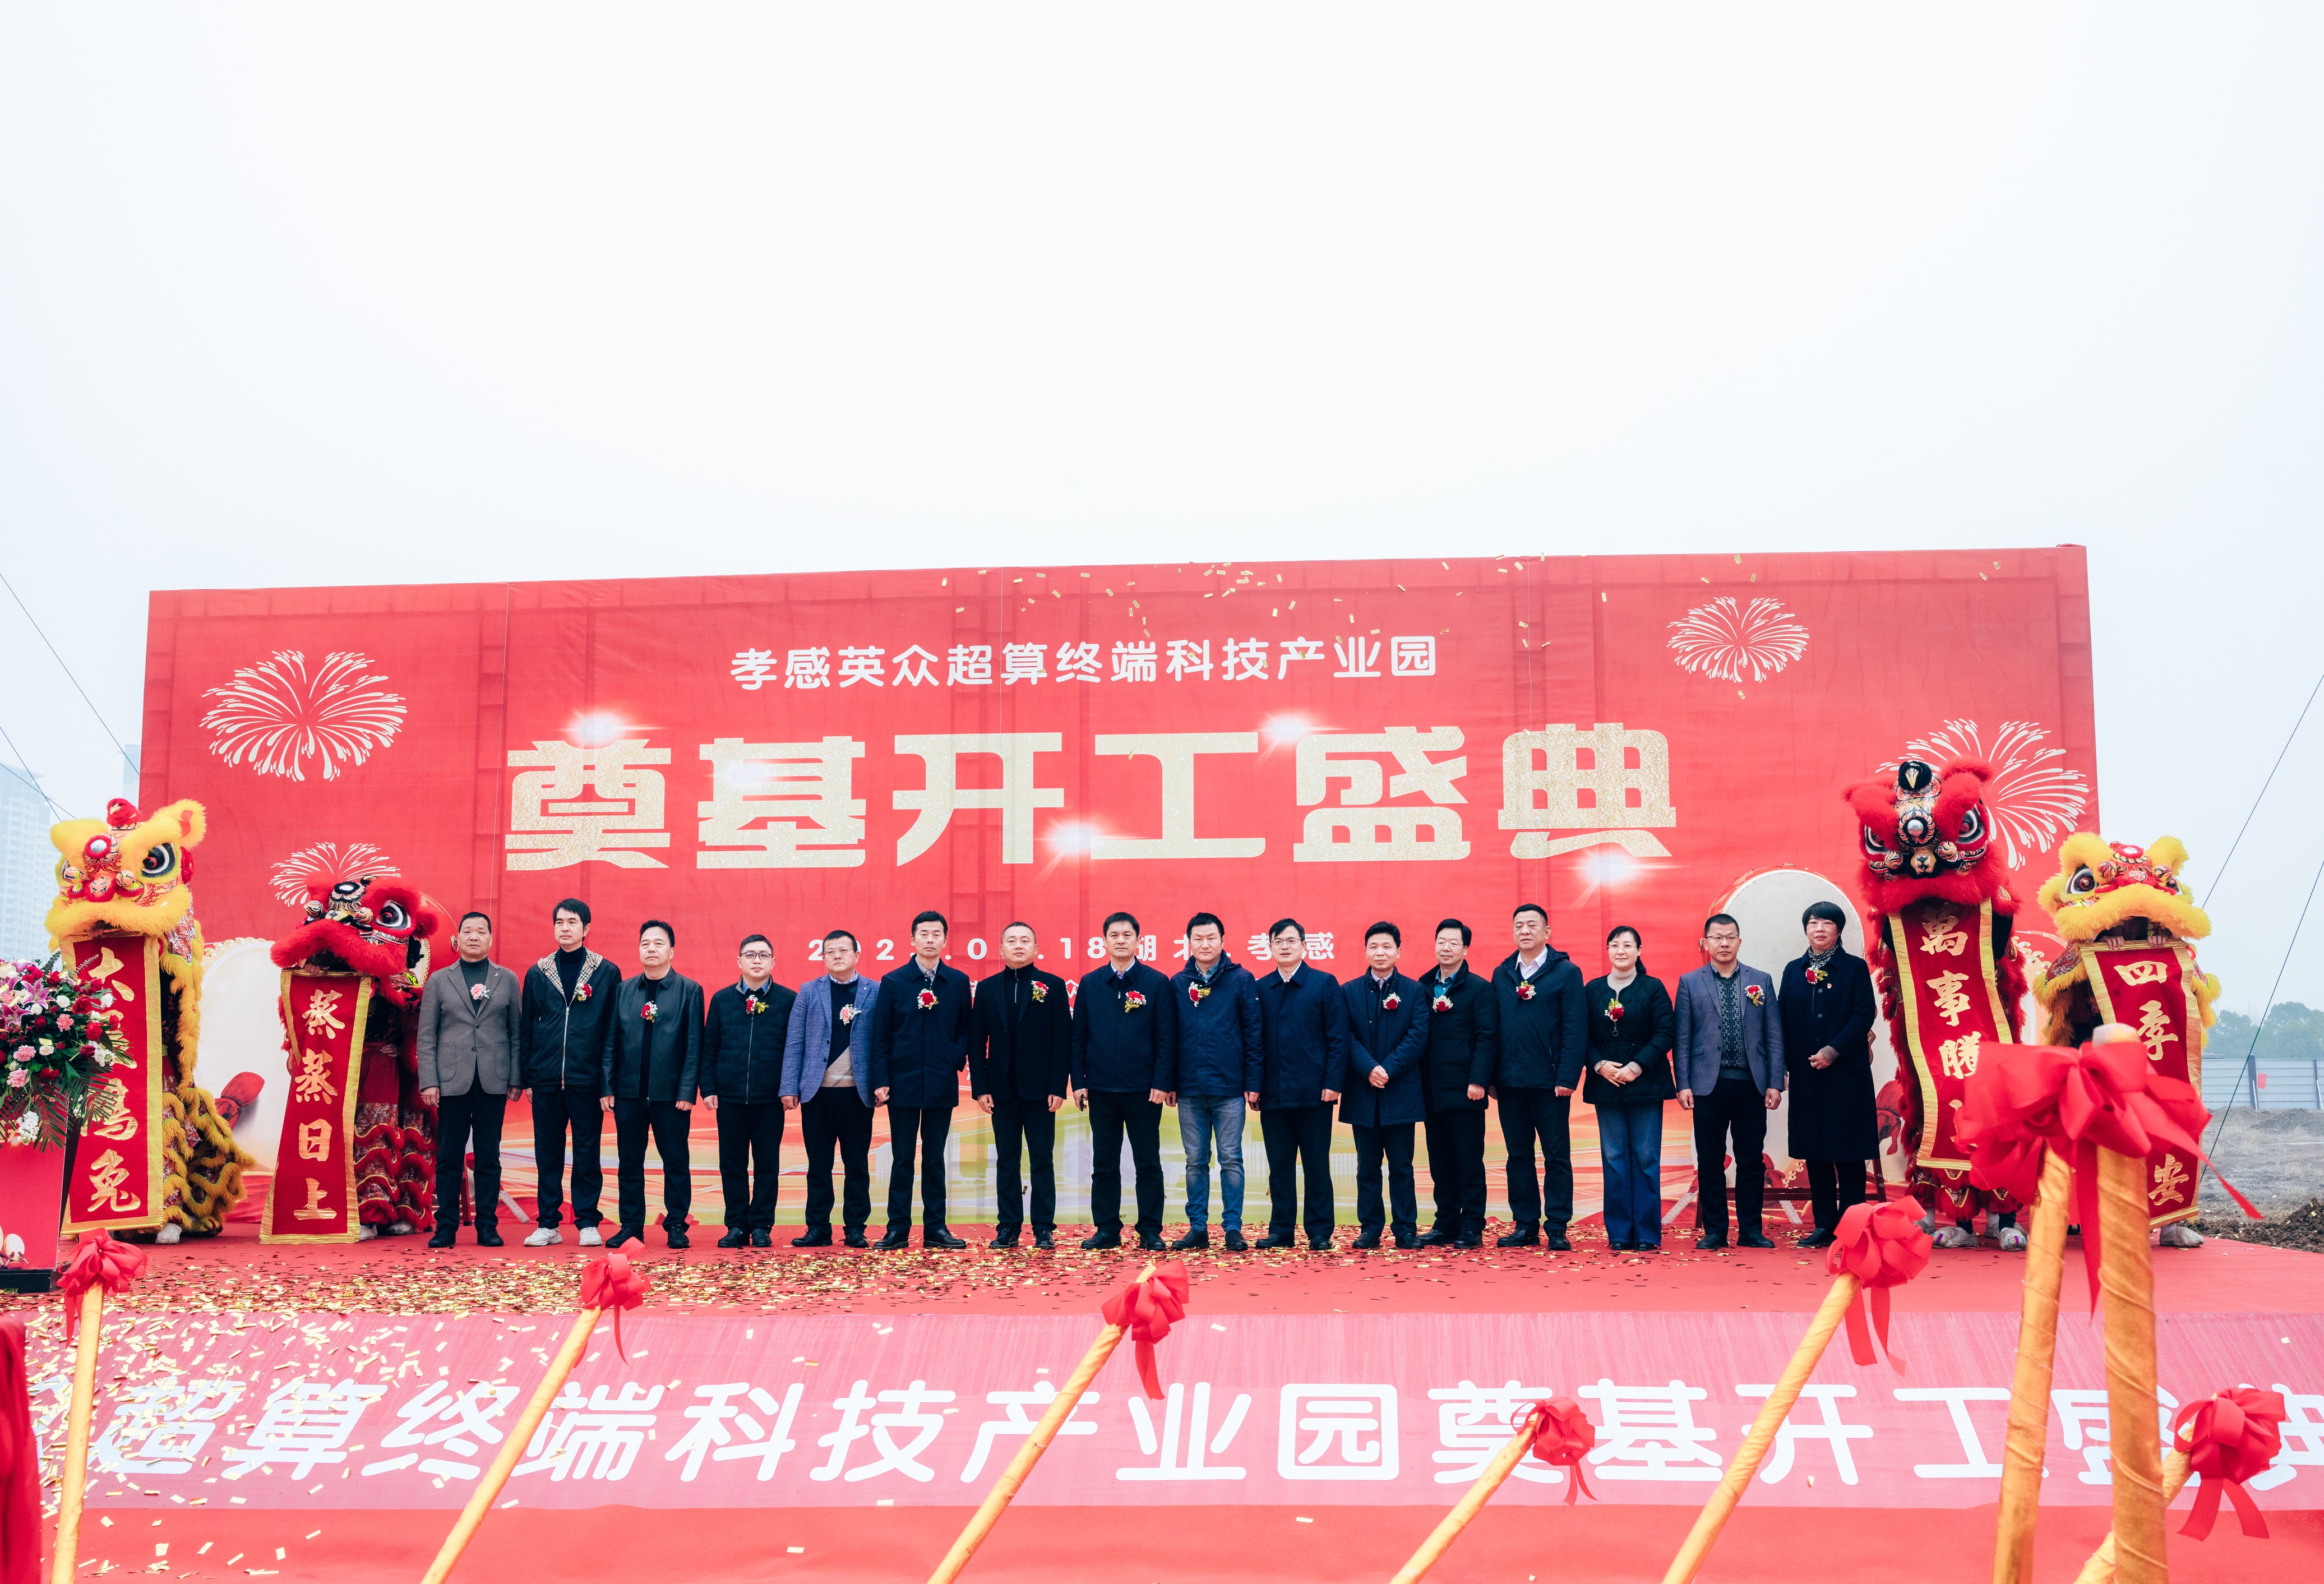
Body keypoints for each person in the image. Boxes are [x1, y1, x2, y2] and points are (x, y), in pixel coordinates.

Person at [1674, 912, 1785, 1251]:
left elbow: (1774, 1034)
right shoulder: (1690, 982)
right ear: (1705, 943)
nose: (1724, 943)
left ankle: (1751, 1230)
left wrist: (1776, 1081)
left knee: (1751, 1159)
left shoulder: (1760, 980)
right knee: (1710, 1160)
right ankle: (1715, 1231)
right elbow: (1682, 1038)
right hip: (1707, 1085)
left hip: (1751, 1084)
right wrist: (1683, 1083)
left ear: (1739, 941)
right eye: (1717, 938)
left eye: (1730, 937)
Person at [516, 898, 622, 1248]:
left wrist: (607, 1082)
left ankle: (588, 1222)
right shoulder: (538, 972)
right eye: (559, 922)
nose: (565, 928)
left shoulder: (606, 972)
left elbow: (612, 1031)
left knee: (587, 1152)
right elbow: (527, 1030)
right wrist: (528, 1077)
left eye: (573, 922)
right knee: (547, 1152)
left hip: (586, 1079)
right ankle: (548, 1224)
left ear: (586, 928)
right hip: (546, 1078)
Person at [866, 911, 973, 1250]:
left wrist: (952, 1059)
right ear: (912, 940)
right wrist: (881, 1079)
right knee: (902, 1158)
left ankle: (936, 1229)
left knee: (936, 1158)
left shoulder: (957, 981)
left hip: (941, 1081)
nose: (930, 939)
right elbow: (881, 1034)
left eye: (936, 934)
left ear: (945, 941)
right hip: (903, 1083)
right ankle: (897, 1228)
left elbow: (966, 1029)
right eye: (923, 934)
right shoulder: (894, 981)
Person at [1070, 912, 1177, 1251]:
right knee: (1104, 1165)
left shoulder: (1156, 982)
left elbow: (1166, 1038)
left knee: (1148, 1163)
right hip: (1101, 1089)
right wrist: (1078, 1082)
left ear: (1138, 941)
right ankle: (1107, 1229)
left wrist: (1162, 1081)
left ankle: (1150, 1230)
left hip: (1144, 1091)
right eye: (1114, 935)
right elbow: (1078, 1036)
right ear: (1104, 942)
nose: (1120, 940)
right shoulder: (1091, 983)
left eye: (1127, 935)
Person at [417, 911, 523, 1248]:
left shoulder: (507, 979)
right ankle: (446, 1227)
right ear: (457, 939)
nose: (474, 937)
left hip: (494, 1079)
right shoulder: (439, 981)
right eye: (468, 931)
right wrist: (429, 1080)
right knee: (450, 1156)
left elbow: (517, 1034)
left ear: (490, 939)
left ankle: (487, 1226)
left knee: (489, 1156)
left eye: (481, 932)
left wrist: (516, 1078)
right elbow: (426, 1035)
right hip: (451, 1081)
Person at [1777, 901, 1879, 1248]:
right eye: (1813, 923)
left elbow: (1864, 1014)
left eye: (1827, 923)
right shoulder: (1793, 970)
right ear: (1806, 929)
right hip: (1806, 1076)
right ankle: (1823, 1225)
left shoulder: (1853, 969)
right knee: (1816, 1152)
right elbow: (1782, 1020)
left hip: (1846, 1075)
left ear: (1839, 930)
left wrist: (1832, 1052)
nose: (1819, 929)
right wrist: (1783, 1067)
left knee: (1849, 1152)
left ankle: (1852, 1227)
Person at [968, 922, 1072, 1249]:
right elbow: (976, 1042)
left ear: (1036, 948)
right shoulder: (987, 988)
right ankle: (1008, 1227)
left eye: (1025, 940)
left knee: (1042, 1159)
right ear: (1001, 949)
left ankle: (1043, 1228)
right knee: (1007, 1160)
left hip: (1041, 1091)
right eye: (1011, 941)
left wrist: (1058, 1086)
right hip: (1001, 1091)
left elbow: (1063, 1040)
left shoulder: (1052, 986)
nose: (1018, 946)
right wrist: (981, 1087)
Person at [1490, 903, 1587, 1251]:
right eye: (1519, 925)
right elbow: (1492, 1029)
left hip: (1551, 1083)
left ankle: (1557, 1225)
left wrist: (1567, 1077)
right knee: (1518, 1156)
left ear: (1547, 932)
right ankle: (1525, 1225)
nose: (1525, 931)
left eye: (1533, 925)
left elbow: (1576, 1029)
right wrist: (1492, 1077)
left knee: (1556, 1155)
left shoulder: (1566, 973)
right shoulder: (1503, 973)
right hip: (1510, 1082)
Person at [603, 920, 705, 1250]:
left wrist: (687, 1092)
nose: (651, 949)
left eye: (659, 944)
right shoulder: (623, 990)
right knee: (629, 1163)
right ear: (639, 949)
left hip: (671, 1096)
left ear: (672, 951)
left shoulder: (689, 991)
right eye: (645, 943)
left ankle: (676, 1225)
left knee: (675, 1162)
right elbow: (610, 1042)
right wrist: (607, 1087)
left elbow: (694, 1046)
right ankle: (631, 1227)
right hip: (628, 1094)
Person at [1251, 918, 1348, 1251]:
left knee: (1316, 1165)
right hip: (1273, 1093)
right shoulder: (1261, 988)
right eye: (1278, 941)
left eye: (1291, 940)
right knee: (1279, 1166)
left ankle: (1320, 1231)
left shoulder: (1324, 984)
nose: (1285, 946)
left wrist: (1333, 1082)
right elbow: (1255, 1043)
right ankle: (1281, 1230)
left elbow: (1338, 1038)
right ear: (1270, 947)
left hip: (1315, 1094)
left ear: (1304, 946)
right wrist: (1255, 1084)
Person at [1167, 912, 1261, 1252]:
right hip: (1189, 1089)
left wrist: (1253, 1081)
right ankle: (1198, 1228)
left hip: (1230, 1088)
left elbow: (1253, 1034)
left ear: (1223, 941)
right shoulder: (1178, 982)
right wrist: (1169, 1081)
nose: (1205, 944)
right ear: (1189, 943)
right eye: (1198, 939)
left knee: (1231, 1158)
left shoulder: (1242, 980)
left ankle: (1233, 1228)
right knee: (1195, 1161)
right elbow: (1169, 1036)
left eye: (1211, 938)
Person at [780, 930, 880, 1248]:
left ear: (857, 955)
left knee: (857, 1164)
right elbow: (794, 1042)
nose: (837, 956)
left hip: (857, 1094)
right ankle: (818, 1227)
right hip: (817, 1094)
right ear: (823, 957)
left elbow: (883, 1043)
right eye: (830, 951)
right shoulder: (809, 991)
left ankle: (855, 1228)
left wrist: (882, 1082)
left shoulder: (875, 991)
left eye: (843, 950)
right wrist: (788, 1086)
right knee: (819, 1165)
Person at [1582, 926, 1676, 1252]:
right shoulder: (1593, 989)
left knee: (1646, 1157)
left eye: (1627, 945)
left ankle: (1647, 1233)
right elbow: (1580, 1034)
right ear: (1608, 951)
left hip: (1645, 1083)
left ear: (1639, 950)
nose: (1620, 951)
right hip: (1606, 1084)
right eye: (1614, 945)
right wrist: (1599, 1065)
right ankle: (1620, 1232)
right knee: (1614, 1157)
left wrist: (1637, 1066)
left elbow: (1666, 1031)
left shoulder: (1653, 987)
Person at [703, 934, 796, 1249]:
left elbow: (794, 1049)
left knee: (767, 1164)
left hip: (770, 1098)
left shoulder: (788, 1000)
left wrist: (789, 1087)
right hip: (729, 1097)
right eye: (750, 955)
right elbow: (710, 1047)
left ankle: (761, 1225)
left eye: (763, 955)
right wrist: (709, 1087)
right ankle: (737, 1225)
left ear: (773, 962)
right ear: (739, 961)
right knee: (732, 1164)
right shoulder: (722, 999)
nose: (757, 960)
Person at [1339, 921, 1428, 1249]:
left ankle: (1405, 1229)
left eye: (1387, 947)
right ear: (1365, 951)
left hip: (1400, 1091)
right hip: (1363, 1091)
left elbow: (1417, 1036)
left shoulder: (1414, 991)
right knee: (1367, 1167)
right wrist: (1369, 1069)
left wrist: (1387, 1069)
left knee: (1402, 1167)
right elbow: (1345, 1036)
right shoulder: (1348, 991)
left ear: (1398, 952)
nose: (1380, 953)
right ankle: (1371, 1228)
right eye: (1374, 947)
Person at [1417, 919, 1496, 1248]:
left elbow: (1487, 1038)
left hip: (1466, 1091)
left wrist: (1478, 1080)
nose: (1446, 947)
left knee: (1469, 1162)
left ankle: (1472, 1226)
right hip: (1431, 1091)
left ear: (1466, 949)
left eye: (1453, 942)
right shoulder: (1422, 986)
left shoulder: (1479, 988)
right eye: (1441, 941)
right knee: (1440, 1164)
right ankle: (1446, 1223)